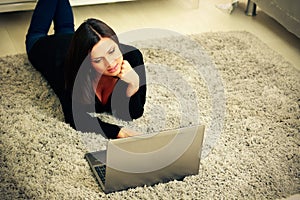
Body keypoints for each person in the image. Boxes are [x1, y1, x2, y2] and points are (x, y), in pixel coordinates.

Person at [25, 0, 146, 139]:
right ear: (86, 63)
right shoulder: (71, 69)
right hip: (43, 46)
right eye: (98, 60)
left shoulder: (132, 56)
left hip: (72, 41)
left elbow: (134, 113)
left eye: (112, 51)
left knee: (66, 28)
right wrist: (119, 132)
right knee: (38, 33)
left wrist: (134, 84)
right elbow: (75, 118)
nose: (110, 63)